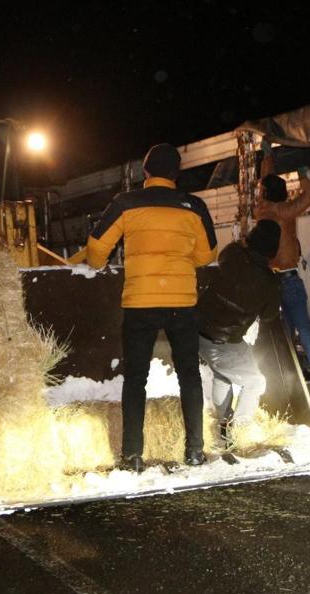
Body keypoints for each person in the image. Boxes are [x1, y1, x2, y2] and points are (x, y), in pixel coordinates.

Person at [87, 143, 218, 471]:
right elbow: (207, 255)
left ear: (145, 172)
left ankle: (132, 454)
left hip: (140, 303)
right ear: (176, 174)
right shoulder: (194, 206)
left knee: (136, 378)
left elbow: (95, 248)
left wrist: (99, 262)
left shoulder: (126, 203)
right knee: (189, 375)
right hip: (182, 303)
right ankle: (195, 451)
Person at [255, 142, 310, 389]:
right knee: (303, 328)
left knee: (288, 332)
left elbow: (265, 183)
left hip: (272, 281)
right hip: (289, 280)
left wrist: (267, 156)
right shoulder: (285, 211)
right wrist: (303, 174)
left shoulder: (261, 209)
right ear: (282, 194)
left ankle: (293, 374)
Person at [198, 219, 283, 446]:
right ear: (273, 250)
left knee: (223, 375)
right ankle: (240, 430)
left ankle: (223, 427)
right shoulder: (269, 281)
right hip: (224, 340)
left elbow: (225, 254)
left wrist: (244, 241)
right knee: (255, 382)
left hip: (201, 331)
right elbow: (268, 315)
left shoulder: (234, 254)